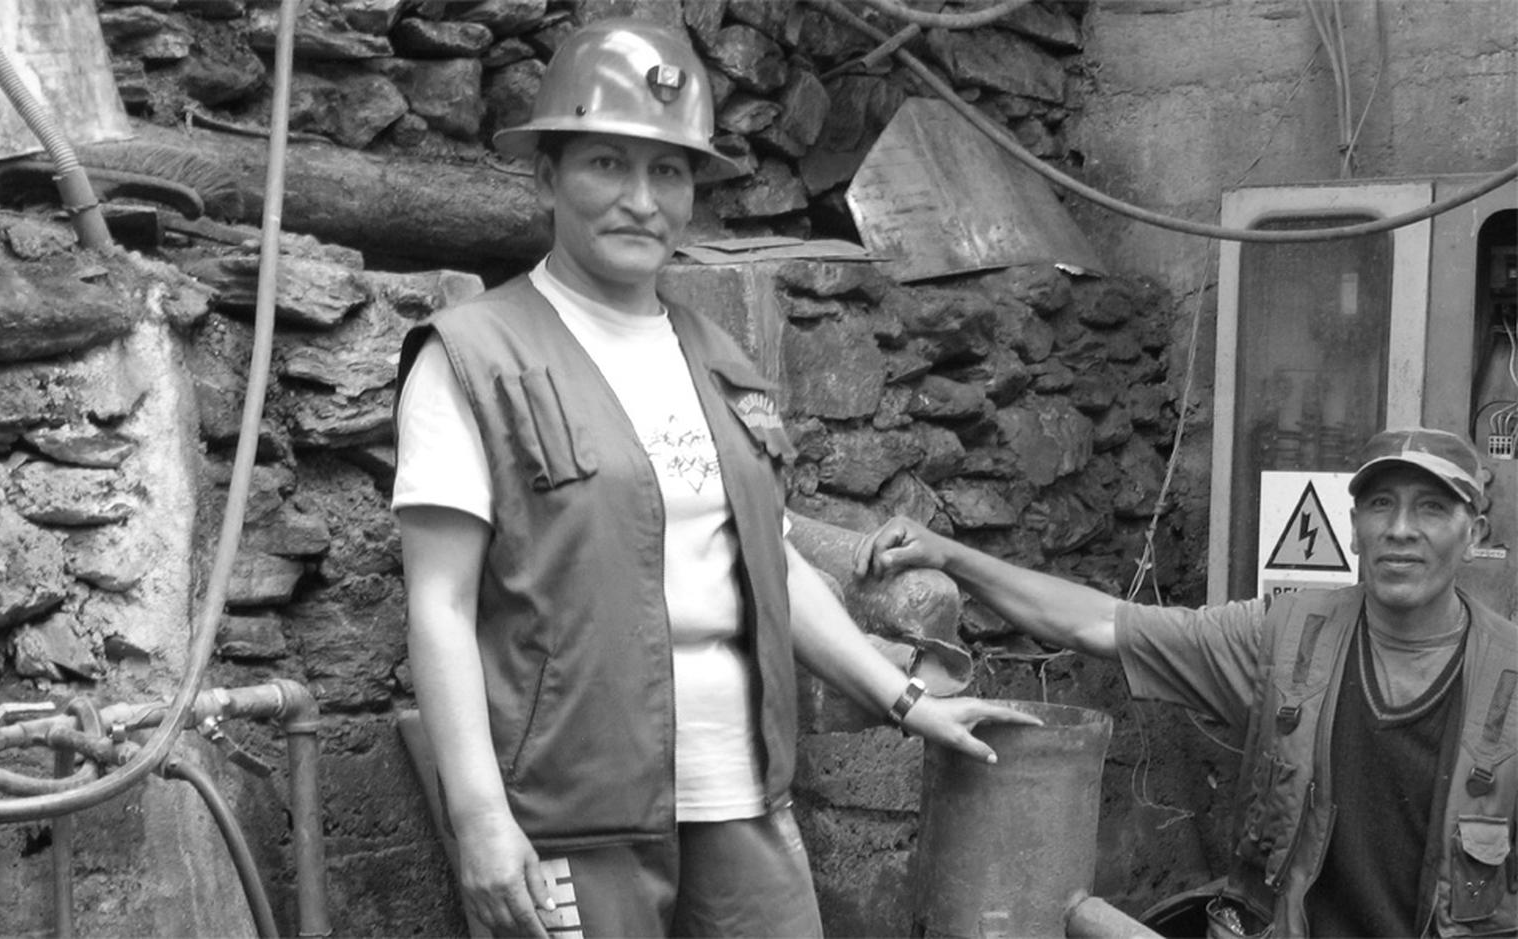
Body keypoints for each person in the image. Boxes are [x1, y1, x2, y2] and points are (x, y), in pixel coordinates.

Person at [392, 19, 1040, 938]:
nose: (642, 200)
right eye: (607, 165)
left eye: (668, 171)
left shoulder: (718, 359)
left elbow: (768, 564)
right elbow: (441, 606)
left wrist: (907, 699)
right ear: (546, 176)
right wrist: (480, 817)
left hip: (742, 794)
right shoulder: (473, 359)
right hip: (572, 817)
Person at [856, 426, 1517, 938]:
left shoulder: (1510, 679)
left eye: (1432, 507)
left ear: (1475, 532)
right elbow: (1101, 624)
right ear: (1354, 525)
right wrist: (949, 554)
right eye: (1381, 505)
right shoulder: (1283, 639)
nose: (1401, 530)